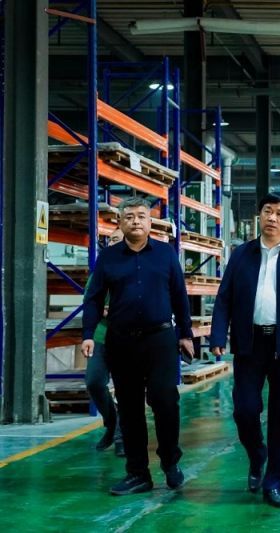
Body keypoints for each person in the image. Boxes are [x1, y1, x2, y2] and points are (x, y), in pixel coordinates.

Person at [210, 192, 280, 509]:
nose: (272, 217)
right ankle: (257, 453)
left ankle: (274, 482)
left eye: (279, 213)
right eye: (267, 211)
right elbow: (224, 297)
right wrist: (218, 334)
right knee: (244, 410)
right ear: (259, 216)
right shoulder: (242, 254)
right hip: (250, 344)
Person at [82, 197, 194, 496]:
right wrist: (88, 334)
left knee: (165, 399)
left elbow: (179, 294)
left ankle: (170, 462)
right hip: (122, 341)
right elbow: (93, 298)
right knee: (130, 408)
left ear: (150, 221)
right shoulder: (108, 258)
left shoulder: (166, 254)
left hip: (160, 339)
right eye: (129, 216)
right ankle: (138, 473)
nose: (135, 221)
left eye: (141, 216)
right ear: (120, 222)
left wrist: (186, 334)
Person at [84, 229, 125, 458]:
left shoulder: (135, 268)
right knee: (94, 381)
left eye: (118, 240)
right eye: (112, 240)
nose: (113, 243)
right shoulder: (101, 269)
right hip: (101, 335)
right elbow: (90, 301)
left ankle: (121, 437)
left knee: (126, 388)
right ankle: (112, 421)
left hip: (128, 337)